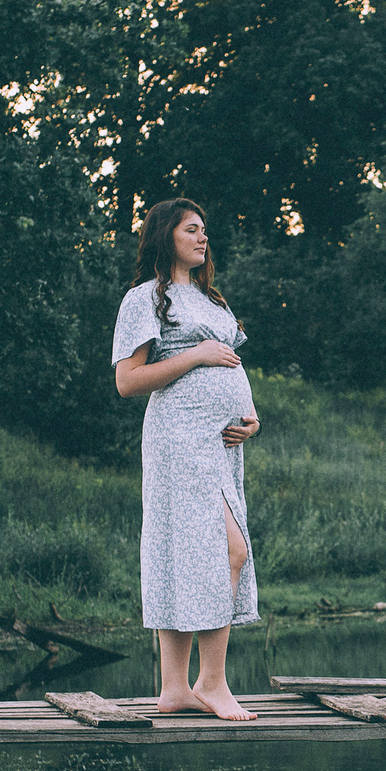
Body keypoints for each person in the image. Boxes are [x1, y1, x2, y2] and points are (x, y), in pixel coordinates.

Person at [113, 199, 261, 719]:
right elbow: (128, 381)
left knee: (190, 551)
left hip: (219, 444)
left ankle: (175, 688)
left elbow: (233, 365)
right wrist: (195, 355)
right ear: (165, 236)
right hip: (179, 439)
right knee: (229, 550)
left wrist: (250, 416)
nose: (203, 238)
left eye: (205, 230)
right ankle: (212, 682)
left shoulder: (212, 300)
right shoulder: (144, 299)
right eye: (192, 229)